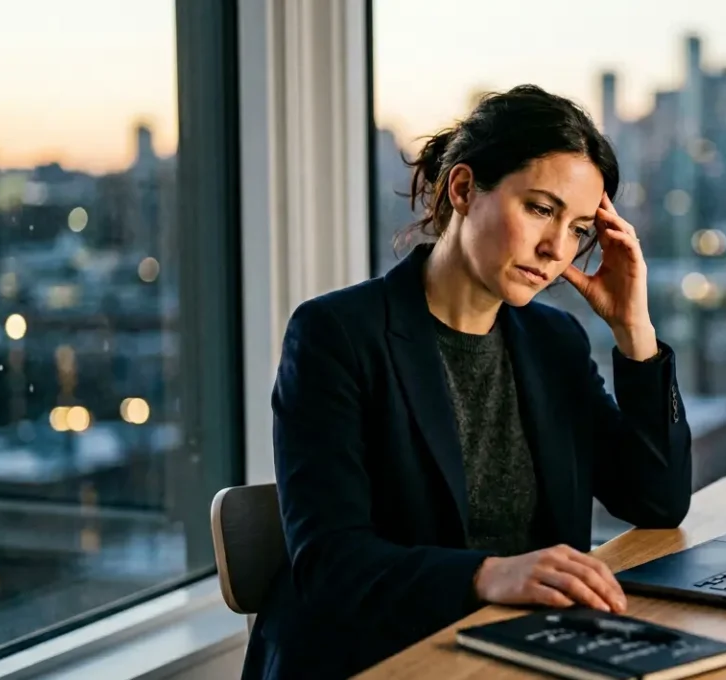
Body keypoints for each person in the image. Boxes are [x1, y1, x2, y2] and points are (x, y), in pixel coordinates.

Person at [241, 84, 693, 679]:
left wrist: (634, 328)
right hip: (379, 660)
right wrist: (488, 573)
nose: (557, 249)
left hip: (518, 654)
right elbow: (331, 564)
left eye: (580, 228)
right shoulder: (336, 335)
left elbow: (657, 501)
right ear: (462, 189)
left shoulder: (553, 342)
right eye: (540, 208)